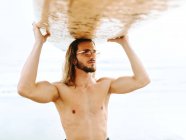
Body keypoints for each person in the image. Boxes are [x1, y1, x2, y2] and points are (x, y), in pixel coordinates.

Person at [17, 23, 150, 140]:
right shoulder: (60, 90)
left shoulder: (105, 85)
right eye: (86, 52)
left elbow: (142, 80)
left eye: (93, 52)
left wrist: (125, 43)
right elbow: (25, 89)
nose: (92, 56)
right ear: (73, 59)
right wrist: (38, 43)